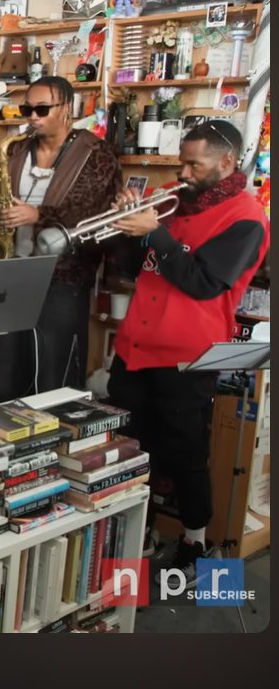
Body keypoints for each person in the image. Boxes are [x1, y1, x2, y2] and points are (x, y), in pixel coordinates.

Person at [106, 121, 269, 579]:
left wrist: (155, 231)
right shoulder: (174, 203)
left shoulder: (248, 219)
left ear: (226, 163)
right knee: (128, 452)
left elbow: (203, 282)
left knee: (187, 453)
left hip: (187, 355)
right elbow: (134, 268)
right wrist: (128, 229)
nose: (183, 171)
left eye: (193, 164)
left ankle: (198, 552)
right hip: (135, 347)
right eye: (181, 161)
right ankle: (133, 545)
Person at [0, 76, 122, 400]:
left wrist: (39, 215)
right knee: (8, 370)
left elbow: (96, 214)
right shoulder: (16, 149)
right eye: (27, 109)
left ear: (66, 109)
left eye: (42, 109)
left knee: (54, 375)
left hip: (63, 279)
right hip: (15, 271)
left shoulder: (96, 153)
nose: (32, 116)